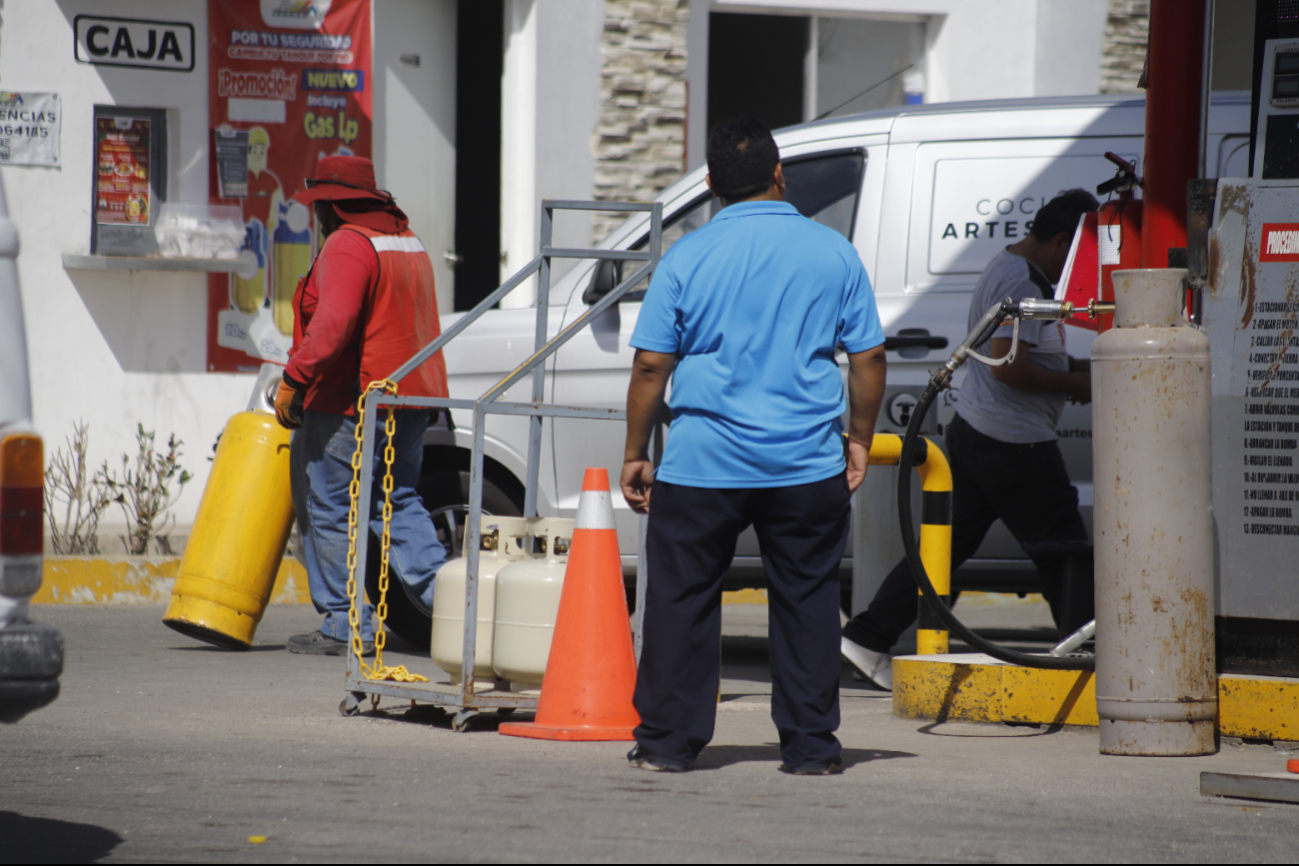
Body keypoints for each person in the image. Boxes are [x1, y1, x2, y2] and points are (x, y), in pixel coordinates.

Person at [621, 117, 887, 775]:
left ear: (710, 184)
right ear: (778, 173)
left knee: (681, 602)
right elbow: (869, 357)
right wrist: (858, 438)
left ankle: (666, 745)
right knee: (807, 602)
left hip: (701, 462)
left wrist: (634, 450)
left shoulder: (685, 256)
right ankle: (811, 749)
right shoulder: (833, 252)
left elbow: (652, 366)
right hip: (804, 464)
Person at [840, 189, 1100, 690]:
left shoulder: (1014, 268)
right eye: (1085, 256)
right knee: (1063, 551)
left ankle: (868, 637)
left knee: (942, 549)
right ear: (1063, 241)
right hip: (1012, 441)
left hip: (982, 432)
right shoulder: (1022, 281)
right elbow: (1008, 364)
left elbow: (1027, 355)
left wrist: (1074, 368)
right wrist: (1076, 384)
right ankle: (1088, 660)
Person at [273, 155, 449, 656]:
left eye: (319, 206)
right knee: (394, 503)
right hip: (410, 397)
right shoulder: (405, 240)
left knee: (327, 505)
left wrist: (293, 380)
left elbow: (333, 328)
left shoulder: (348, 244)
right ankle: (459, 606)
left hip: (354, 401)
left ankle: (343, 622)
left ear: (332, 204)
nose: (316, 216)